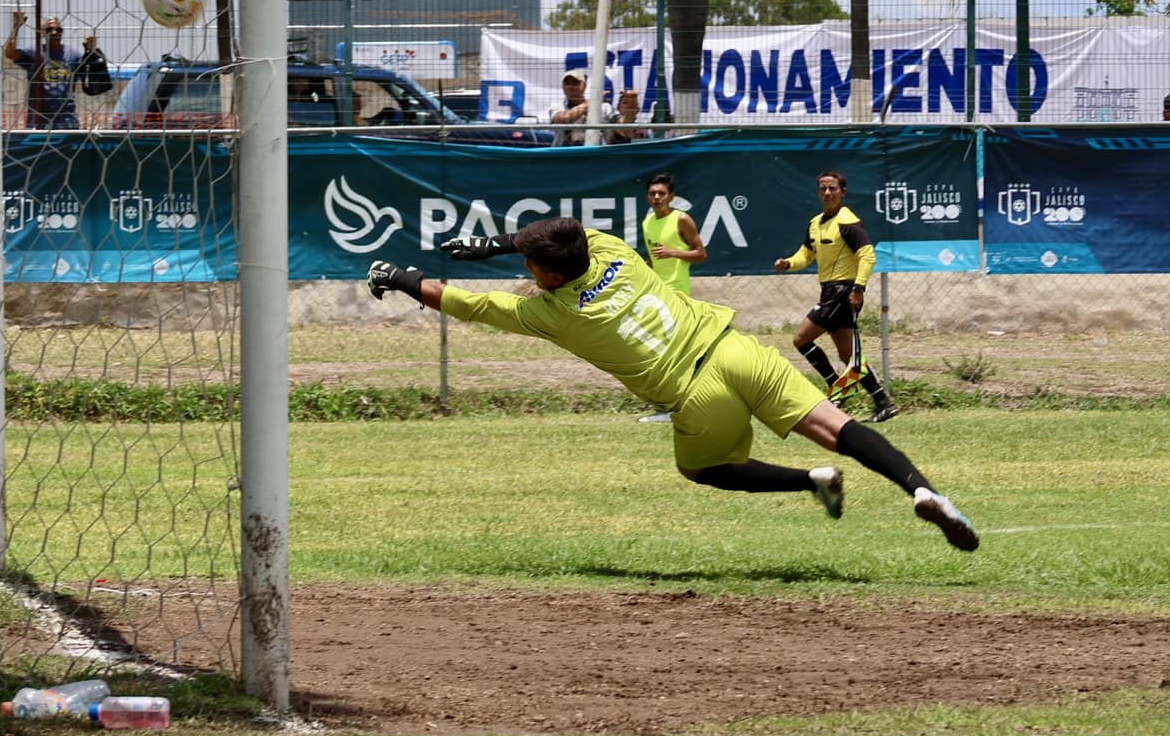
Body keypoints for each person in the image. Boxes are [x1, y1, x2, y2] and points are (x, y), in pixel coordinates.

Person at [365, 218, 977, 551]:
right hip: (736, 351)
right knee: (837, 428)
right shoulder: (611, 251)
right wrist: (500, 243)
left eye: (529, 263)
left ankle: (808, 482)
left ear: (548, 274)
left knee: (704, 470)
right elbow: (565, 231)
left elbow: (461, 302)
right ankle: (922, 492)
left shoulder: (549, 313)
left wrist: (401, 276)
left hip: (696, 394)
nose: (525, 268)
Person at [773, 170, 896, 423]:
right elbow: (806, 255)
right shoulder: (815, 223)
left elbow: (867, 254)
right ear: (818, 192)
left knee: (801, 339)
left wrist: (858, 288)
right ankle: (883, 402)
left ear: (843, 192)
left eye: (833, 189)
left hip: (842, 292)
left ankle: (836, 390)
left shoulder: (847, 220)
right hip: (830, 291)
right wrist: (788, 263)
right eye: (823, 189)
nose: (827, 193)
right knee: (849, 356)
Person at [637, 172, 709, 424]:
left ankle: (679, 406)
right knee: (657, 349)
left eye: (661, 194)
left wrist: (674, 252)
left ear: (671, 196)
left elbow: (701, 254)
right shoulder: (647, 223)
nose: (656, 198)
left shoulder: (682, 219)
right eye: (652, 194)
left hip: (678, 294)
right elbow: (655, 261)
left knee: (674, 351)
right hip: (657, 294)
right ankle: (676, 405)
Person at [8, 10, 104, 130]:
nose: (54, 32)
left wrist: (91, 52)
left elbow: (91, 77)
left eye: (58, 30)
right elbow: (10, 53)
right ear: (43, 33)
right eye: (49, 30)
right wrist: (16, 26)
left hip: (66, 121)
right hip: (39, 121)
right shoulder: (35, 53)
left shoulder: (73, 55)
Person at [548, 72, 591, 145]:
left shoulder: (602, 107)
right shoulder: (557, 105)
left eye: (575, 83)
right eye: (567, 83)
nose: (571, 86)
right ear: (563, 87)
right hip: (562, 153)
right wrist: (590, 104)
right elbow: (563, 118)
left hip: (592, 153)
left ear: (584, 86)